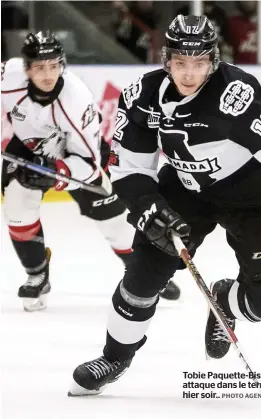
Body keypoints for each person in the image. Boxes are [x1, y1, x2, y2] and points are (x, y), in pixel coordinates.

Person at [69, 15, 261, 396]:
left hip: (256, 195)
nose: (189, 73)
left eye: (199, 62)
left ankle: (225, 302)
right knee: (145, 271)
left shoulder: (236, 96)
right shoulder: (142, 97)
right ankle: (115, 356)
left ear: (213, 59)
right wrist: (147, 206)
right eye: (180, 62)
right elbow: (129, 168)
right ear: (166, 60)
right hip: (185, 190)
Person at [1, 30, 179, 312]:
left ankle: (143, 272)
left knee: (116, 222)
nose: (48, 75)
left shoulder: (76, 99)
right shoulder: (8, 76)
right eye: (39, 68)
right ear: (26, 69)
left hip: (78, 159)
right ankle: (37, 274)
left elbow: (89, 162)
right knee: (17, 205)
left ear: (62, 65)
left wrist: (56, 171)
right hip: (27, 149)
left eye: (53, 67)